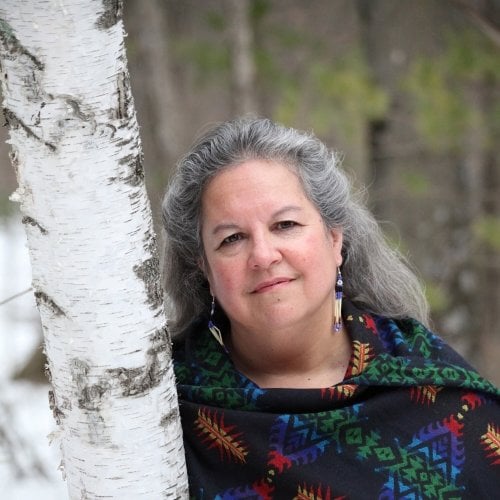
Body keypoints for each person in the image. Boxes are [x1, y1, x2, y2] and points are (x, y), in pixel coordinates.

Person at [162, 117, 500, 498]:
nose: (263, 255)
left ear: (335, 238)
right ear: (202, 266)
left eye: (285, 225)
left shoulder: (437, 396)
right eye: (232, 238)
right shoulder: (159, 408)